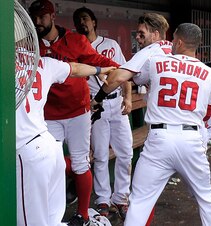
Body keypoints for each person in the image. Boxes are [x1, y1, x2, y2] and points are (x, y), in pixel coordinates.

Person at [92, 22, 211, 226]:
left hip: (158, 140)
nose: (170, 43)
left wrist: (98, 98)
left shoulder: (156, 61)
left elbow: (120, 77)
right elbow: (209, 114)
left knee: (140, 202)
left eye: (173, 40)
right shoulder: (210, 74)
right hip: (191, 139)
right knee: (206, 199)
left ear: (178, 42)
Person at [28, 1, 122, 225]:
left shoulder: (75, 40)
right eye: (35, 17)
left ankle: (83, 213)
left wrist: (114, 73)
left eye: (42, 17)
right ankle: (52, 214)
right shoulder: (30, 45)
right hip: (48, 115)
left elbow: (101, 63)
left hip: (78, 112)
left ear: (52, 16)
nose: (38, 22)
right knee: (50, 163)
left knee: (80, 163)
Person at [16, 50, 114, 226]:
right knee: (52, 220)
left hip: (28, 150)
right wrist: (99, 71)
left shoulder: (6, 65)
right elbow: (75, 68)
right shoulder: (42, 61)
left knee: (31, 222)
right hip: (49, 146)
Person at [72, 7, 133, 219]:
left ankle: (121, 198)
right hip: (95, 106)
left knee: (125, 152)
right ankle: (103, 200)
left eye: (85, 18)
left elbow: (123, 72)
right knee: (99, 155)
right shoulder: (76, 48)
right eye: (78, 20)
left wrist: (128, 97)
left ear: (94, 22)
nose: (82, 22)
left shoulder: (110, 45)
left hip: (116, 104)